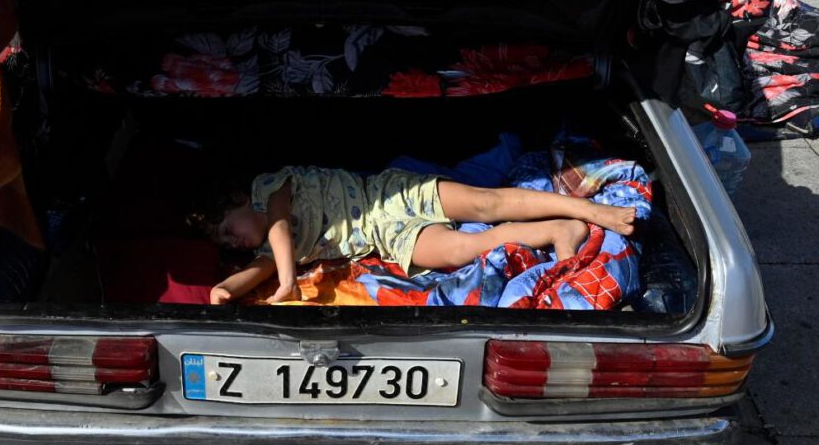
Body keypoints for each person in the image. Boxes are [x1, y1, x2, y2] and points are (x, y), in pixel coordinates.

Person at [187, 166, 636, 305]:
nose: (232, 240)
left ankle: (589, 208)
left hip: (391, 195)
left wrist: (287, 283)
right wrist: (222, 292)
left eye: (228, 228)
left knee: (486, 203)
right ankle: (561, 228)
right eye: (225, 243)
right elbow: (248, 274)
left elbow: (282, 226)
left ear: (238, 199)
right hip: (388, 237)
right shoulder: (268, 250)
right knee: (460, 251)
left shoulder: (271, 188)